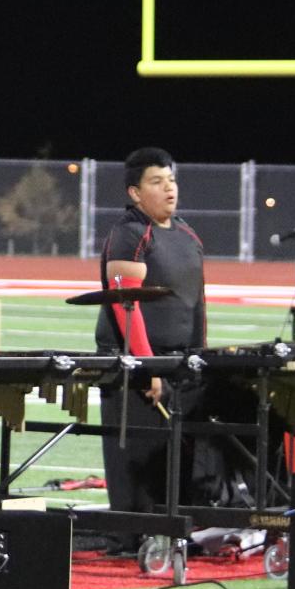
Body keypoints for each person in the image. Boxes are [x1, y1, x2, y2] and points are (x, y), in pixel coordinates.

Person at [94, 148, 214, 532]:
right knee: (138, 462)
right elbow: (125, 308)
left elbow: (197, 304)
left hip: (180, 363)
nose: (169, 188)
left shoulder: (188, 234)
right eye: (157, 182)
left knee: (179, 458)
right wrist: (149, 369)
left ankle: (178, 529)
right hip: (136, 365)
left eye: (172, 180)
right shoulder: (129, 233)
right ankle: (134, 537)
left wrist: (199, 357)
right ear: (134, 192)